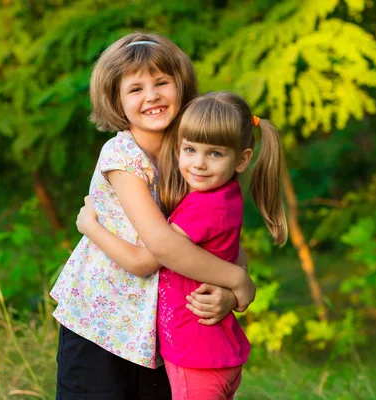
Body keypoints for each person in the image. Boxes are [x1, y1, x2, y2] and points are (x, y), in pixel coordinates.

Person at [49, 32, 256, 400]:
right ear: (117, 101)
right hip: (104, 323)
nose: (152, 96)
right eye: (136, 89)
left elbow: (221, 227)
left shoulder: (193, 150)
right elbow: (156, 251)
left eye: (162, 82)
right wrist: (237, 280)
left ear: (181, 84)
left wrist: (231, 291)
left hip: (164, 330)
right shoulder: (122, 158)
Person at [77, 91, 288, 399]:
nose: (199, 164)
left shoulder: (203, 207)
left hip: (198, 356)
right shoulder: (224, 195)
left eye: (215, 154)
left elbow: (147, 258)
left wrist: (90, 227)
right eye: (190, 149)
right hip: (211, 351)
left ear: (242, 159)